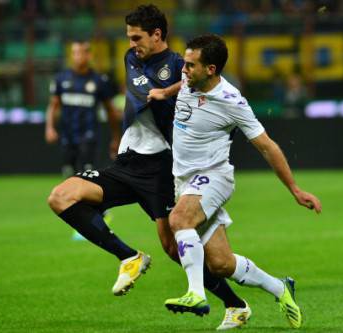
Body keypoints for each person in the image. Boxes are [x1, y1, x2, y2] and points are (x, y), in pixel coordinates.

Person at [48, 5, 250, 330]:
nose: (131, 44)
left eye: (137, 37)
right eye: (129, 37)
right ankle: (129, 257)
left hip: (161, 168)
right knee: (61, 197)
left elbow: (200, 89)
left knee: (174, 249)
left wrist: (169, 92)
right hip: (128, 162)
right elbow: (142, 93)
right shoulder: (132, 58)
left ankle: (235, 304)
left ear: (158, 35)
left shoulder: (180, 67)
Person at [163, 34, 322, 329]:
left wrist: (295, 189)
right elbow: (181, 84)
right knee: (221, 264)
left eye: (190, 65)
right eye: (184, 64)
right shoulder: (189, 81)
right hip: (184, 181)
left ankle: (196, 294)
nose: (183, 70)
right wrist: (164, 93)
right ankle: (280, 288)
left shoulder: (231, 100)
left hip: (214, 178)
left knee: (179, 220)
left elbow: (267, 146)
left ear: (211, 69)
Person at [45, 40, 121, 178]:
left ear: (89, 55)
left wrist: (115, 137)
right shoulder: (61, 79)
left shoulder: (99, 80)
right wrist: (49, 127)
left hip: (89, 134)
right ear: (71, 55)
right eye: (75, 53)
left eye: (82, 52)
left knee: (87, 173)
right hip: (67, 134)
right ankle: (71, 200)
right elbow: (53, 106)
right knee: (68, 172)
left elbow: (110, 110)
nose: (78, 56)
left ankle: (87, 199)